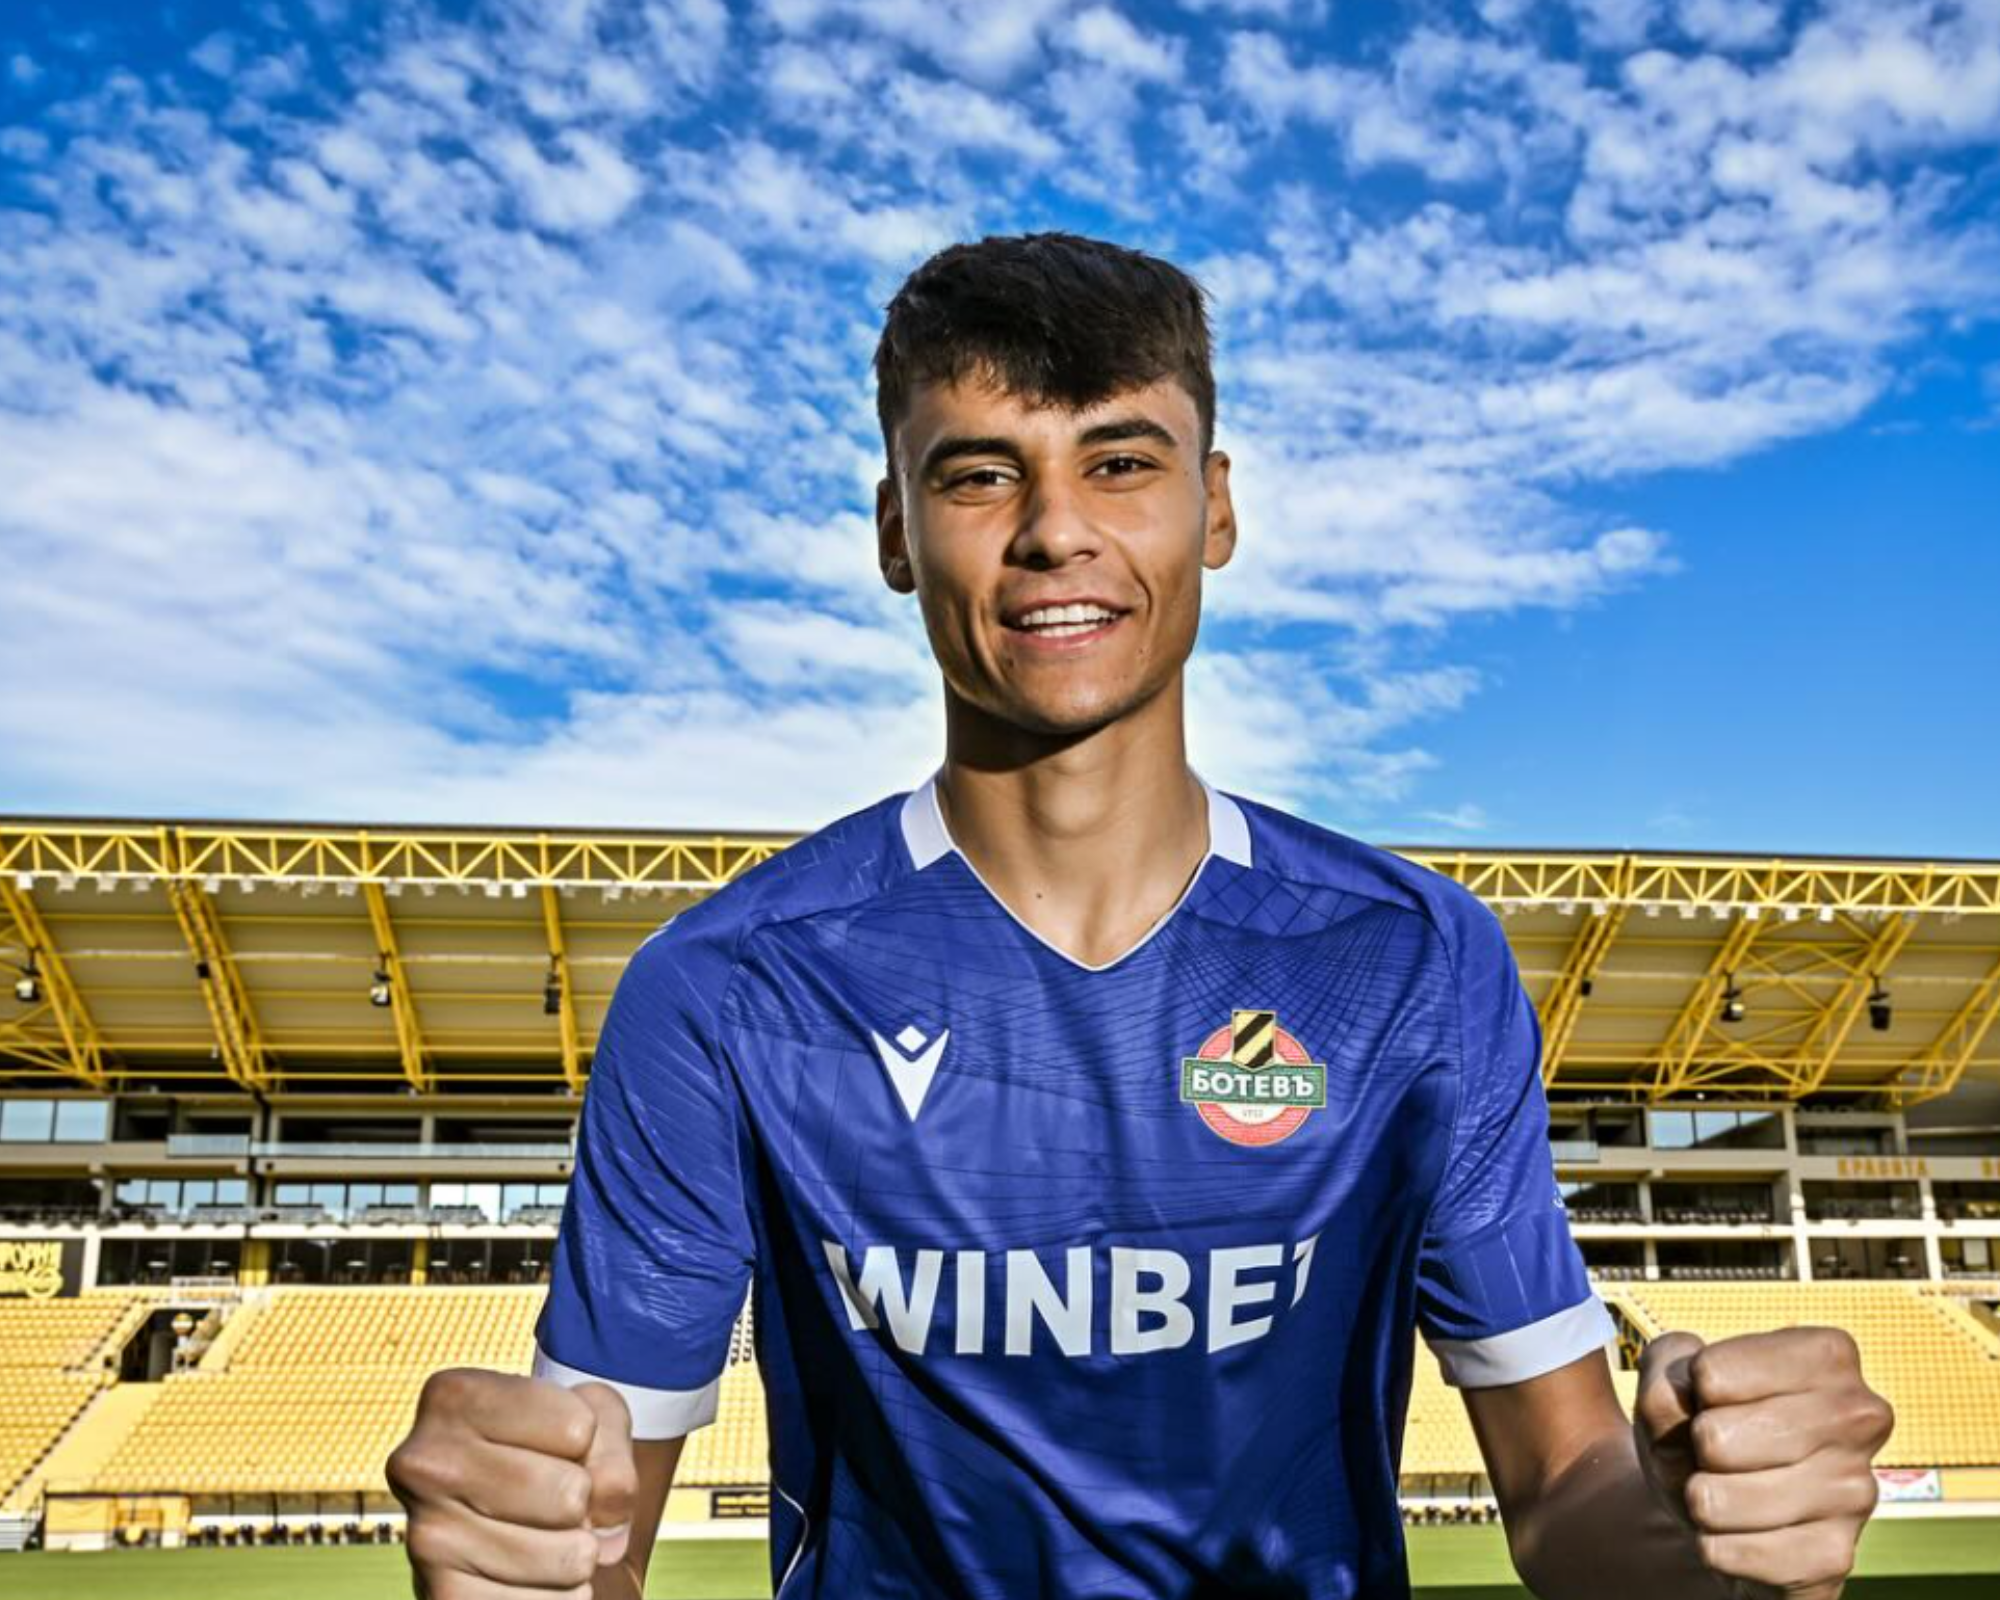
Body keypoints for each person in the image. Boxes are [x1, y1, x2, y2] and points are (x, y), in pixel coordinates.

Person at [387, 233, 1893, 1600]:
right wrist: (514, 1559)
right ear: (896, 532)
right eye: (980, 476)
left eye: (1120, 462)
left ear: (1213, 506)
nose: (1056, 530)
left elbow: (1567, 1498)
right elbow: (589, 1540)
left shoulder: (1414, 959)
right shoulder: (725, 988)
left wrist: (1714, 1531)